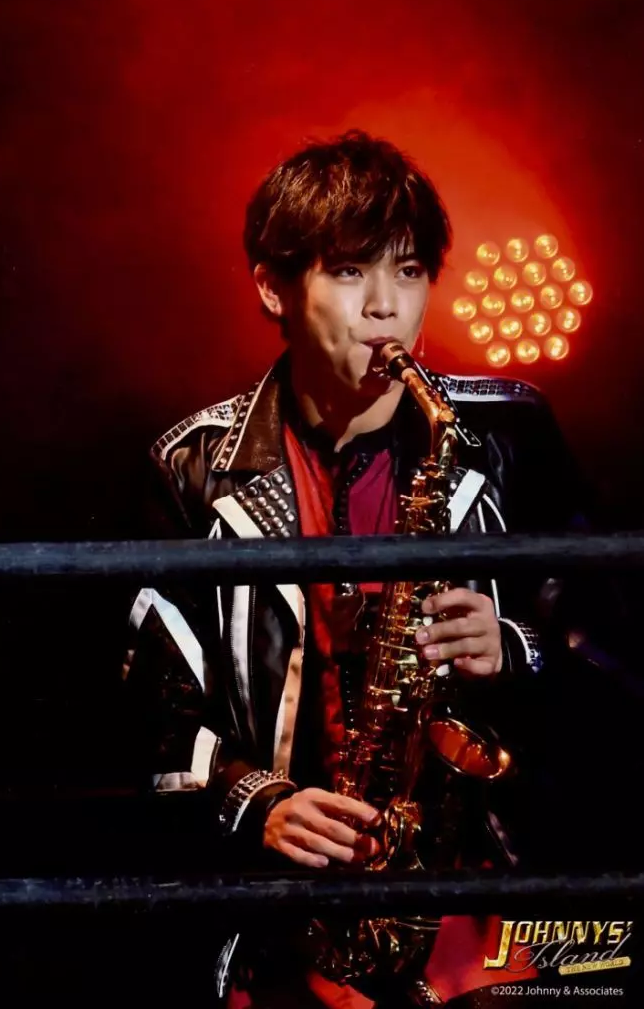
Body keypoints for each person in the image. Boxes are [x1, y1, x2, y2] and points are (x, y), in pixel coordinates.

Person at [122, 130, 596, 1008]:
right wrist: (259, 802)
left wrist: (515, 647)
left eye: (409, 271)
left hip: (485, 903)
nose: (387, 307)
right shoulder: (189, 467)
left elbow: (615, 650)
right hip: (288, 915)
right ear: (273, 288)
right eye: (349, 271)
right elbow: (147, 713)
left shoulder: (510, 435)